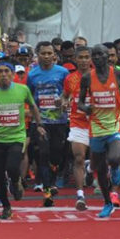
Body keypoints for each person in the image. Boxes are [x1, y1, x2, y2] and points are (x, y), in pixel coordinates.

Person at [0, 61, 44, 219]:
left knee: (12, 167)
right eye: (0, 71)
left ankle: (16, 181)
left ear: (12, 74)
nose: (4, 74)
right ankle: (6, 206)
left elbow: (33, 107)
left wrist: (39, 124)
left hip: (17, 136)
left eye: (7, 71)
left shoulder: (22, 89)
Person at [78, 45, 120, 218]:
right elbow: (79, 102)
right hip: (96, 127)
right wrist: (86, 108)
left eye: (101, 54)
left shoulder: (119, 74)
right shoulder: (87, 78)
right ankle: (107, 202)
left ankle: (116, 170)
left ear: (107, 56)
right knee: (100, 170)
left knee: (115, 158)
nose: (98, 57)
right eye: (94, 55)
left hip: (115, 124)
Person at [27, 41, 70, 207]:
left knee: (56, 155)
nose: (46, 57)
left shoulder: (63, 72)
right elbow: (29, 97)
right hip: (41, 122)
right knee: (43, 154)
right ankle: (46, 190)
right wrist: (34, 116)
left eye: (49, 53)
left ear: (54, 55)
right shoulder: (32, 75)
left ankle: (52, 181)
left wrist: (65, 102)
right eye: (42, 54)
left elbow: (69, 93)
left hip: (59, 121)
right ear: (37, 56)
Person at [62, 46, 92, 210]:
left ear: (91, 59)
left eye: (87, 57)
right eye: (80, 57)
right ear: (75, 59)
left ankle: (91, 167)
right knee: (78, 157)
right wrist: (63, 101)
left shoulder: (99, 77)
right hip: (77, 122)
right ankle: (80, 195)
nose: (83, 60)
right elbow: (65, 95)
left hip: (97, 123)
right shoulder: (70, 78)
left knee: (99, 158)